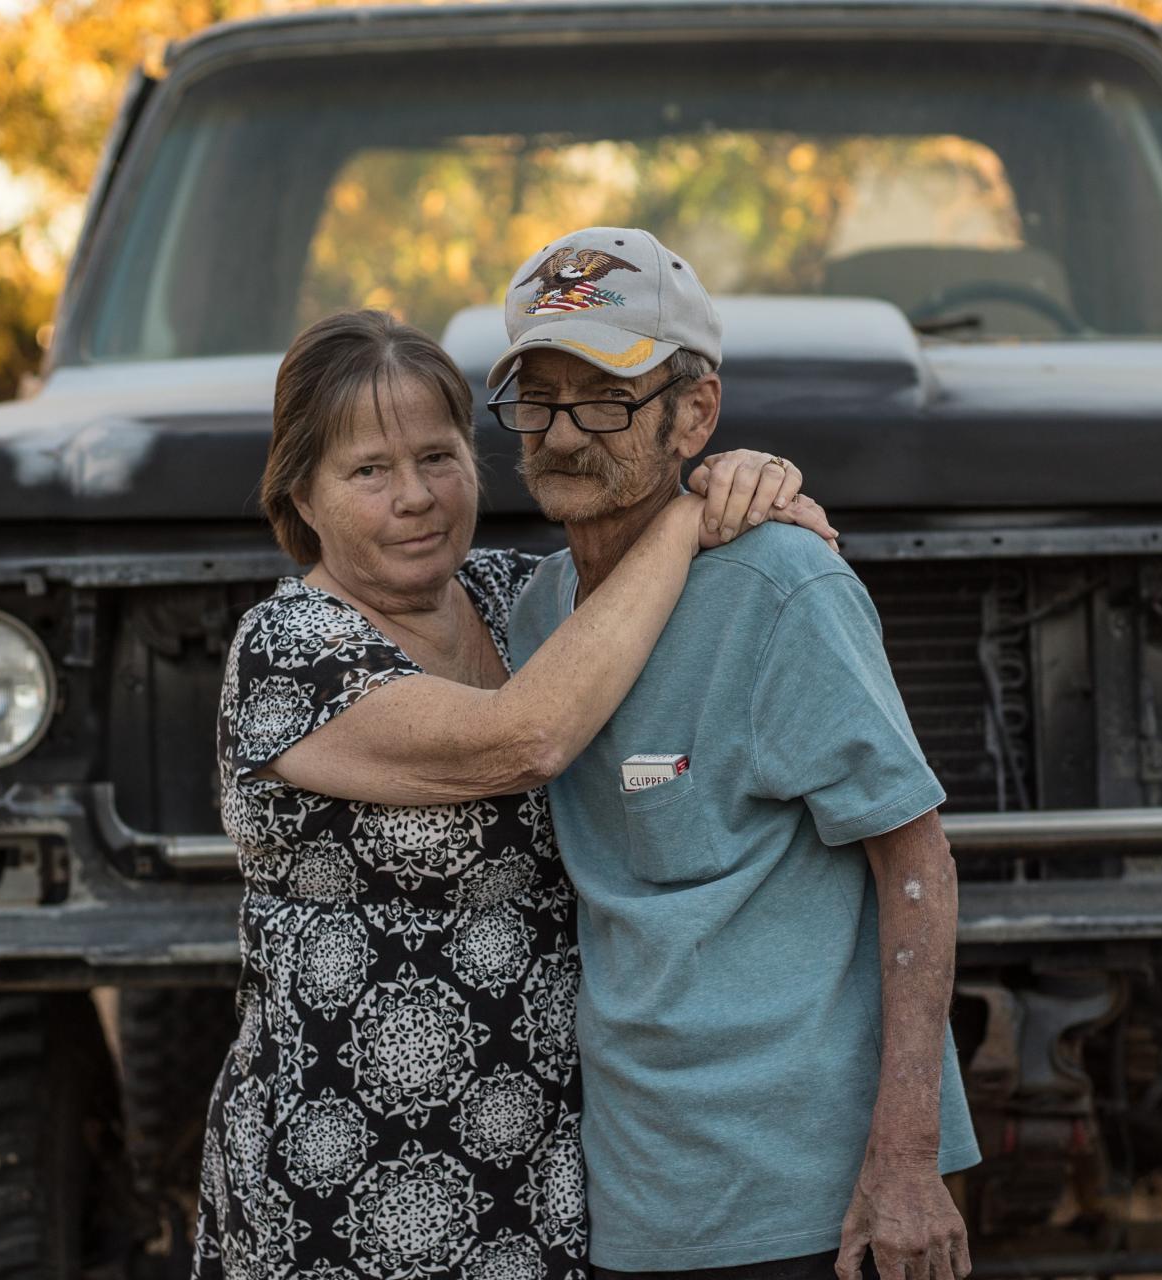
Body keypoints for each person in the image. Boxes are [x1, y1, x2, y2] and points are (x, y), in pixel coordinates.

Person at [194, 308, 837, 1280]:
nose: (414, 496)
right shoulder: (290, 652)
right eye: (369, 470)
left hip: (541, 1151)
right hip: (352, 1161)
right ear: (303, 495)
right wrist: (680, 519)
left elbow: (690, 614)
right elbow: (525, 737)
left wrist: (750, 495)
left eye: (437, 456)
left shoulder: (516, 598)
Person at [497, 228, 980, 1280]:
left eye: (608, 398)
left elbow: (916, 864)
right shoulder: (529, 616)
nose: (565, 434)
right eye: (538, 398)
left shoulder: (780, 587)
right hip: (633, 1198)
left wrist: (906, 1162)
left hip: (809, 1201)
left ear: (696, 414)